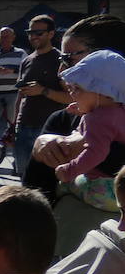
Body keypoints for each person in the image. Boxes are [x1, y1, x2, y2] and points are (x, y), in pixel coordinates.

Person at [52, 49, 125, 211]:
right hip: (120, 187)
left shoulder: (97, 119)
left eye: (77, 88)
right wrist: (83, 109)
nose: (71, 92)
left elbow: (96, 153)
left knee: (65, 184)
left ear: (103, 93)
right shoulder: (117, 109)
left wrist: (69, 170)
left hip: (105, 190)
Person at [17, 14, 69, 182]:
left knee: (44, 178)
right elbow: (21, 95)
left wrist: (43, 91)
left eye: (39, 33)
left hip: (49, 129)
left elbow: (72, 98)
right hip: (24, 126)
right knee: (23, 177)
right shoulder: (27, 60)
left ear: (51, 34)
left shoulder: (61, 60)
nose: (33, 36)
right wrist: (14, 123)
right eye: (30, 32)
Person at [0, 27, 28, 165]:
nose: (4, 39)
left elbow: (27, 72)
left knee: (14, 127)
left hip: (13, 94)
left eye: (7, 36)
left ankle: (17, 160)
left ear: (13, 37)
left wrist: (11, 70)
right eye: (2, 37)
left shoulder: (21, 54)